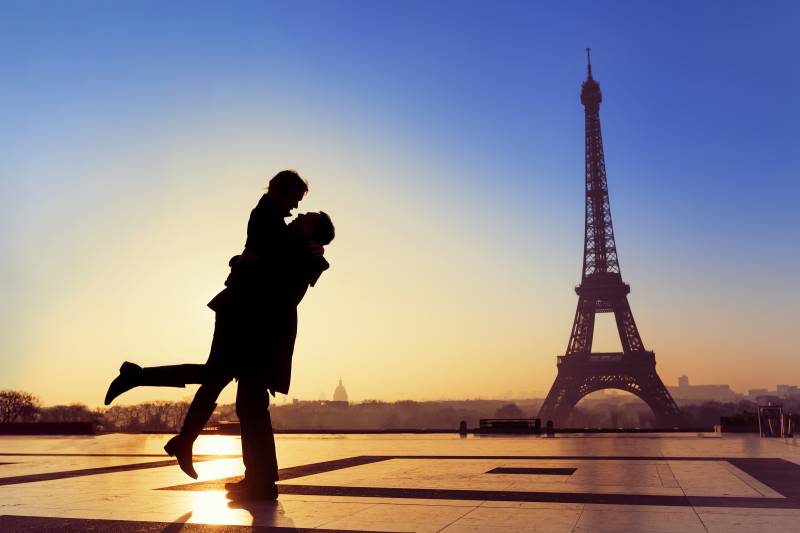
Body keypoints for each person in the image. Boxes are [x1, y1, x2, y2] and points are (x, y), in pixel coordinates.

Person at [105, 170, 334, 500]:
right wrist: (243, 261)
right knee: (239, 398)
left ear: (313, 232)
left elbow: (266, 270)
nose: (299, 209)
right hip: (253, 329)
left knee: (225, 385)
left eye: (307, 214)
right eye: (298, 200)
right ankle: (255, 479)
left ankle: (148, 389)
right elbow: (260, 257)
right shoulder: (281, 232)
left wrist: (248, 262)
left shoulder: (291, 243)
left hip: (254, 330)